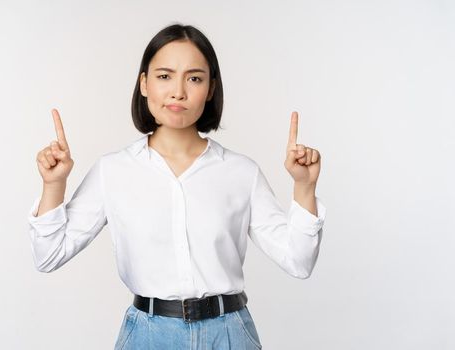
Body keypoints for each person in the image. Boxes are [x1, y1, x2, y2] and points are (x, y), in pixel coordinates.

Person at [28, 23, 326, 350]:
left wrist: (304, 187)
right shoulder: (112, 171)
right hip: (148, 336)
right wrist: (54, 185)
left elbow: (299, 262)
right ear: (144, 84)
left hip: (229, 335)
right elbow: (49, 256)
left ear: (211, 89)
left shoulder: (241, 172)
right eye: (164, 76)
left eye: (194, 78)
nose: (178, 92)